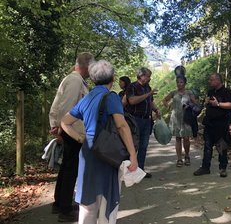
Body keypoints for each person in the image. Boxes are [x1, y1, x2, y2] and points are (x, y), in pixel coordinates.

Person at [61, 60, 138, 224]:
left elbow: (64, 122)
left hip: (88, 152)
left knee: (87, 202)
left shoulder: (87, 98)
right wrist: (133, 155)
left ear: (93, 79)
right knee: (105, 199)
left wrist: (81, 138)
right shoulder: (111, 97)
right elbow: (122, 126)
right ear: (112, 78)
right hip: (106, 152)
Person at [49, 52, 94, 222]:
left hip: (70, 130)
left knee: (66, 167)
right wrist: (62, 129)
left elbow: (57, 106)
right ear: (86, 66)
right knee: (71, 169)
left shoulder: (74, 79)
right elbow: (66, 108)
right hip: (72, 132)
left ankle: (60, 203)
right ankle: (65, 210)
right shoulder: (75, 81)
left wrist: (56, 125)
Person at [193, 73, 231, 178]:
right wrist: (206, 102)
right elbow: (205, 104)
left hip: (221, 124)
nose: (210, 81)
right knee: (207, 146)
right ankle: (205, 167)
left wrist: (219, 104)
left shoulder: (226, 92)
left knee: (221, 147)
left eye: (211, 80)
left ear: (218, 80)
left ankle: (223, 168)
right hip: (209, 123)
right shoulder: (210, 92)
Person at [124, 67, 160, 178]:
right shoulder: (132, 87)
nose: (149, 78)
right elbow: (132, 100)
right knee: (133, 145)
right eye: (148, 76)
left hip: (146, 119)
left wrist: (156, 109)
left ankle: (140, 170)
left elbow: (151, 102)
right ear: (142, 76)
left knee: (144, 146)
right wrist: (148, 94)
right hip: (135, 119)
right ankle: (128, 170)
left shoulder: (147, 88)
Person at [162, 75, 197, 167]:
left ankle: (187, 155)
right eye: (178, 82)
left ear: (185, 83)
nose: (179, 84)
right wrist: (168, 106)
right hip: (176, 118)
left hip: (186, 118)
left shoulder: (189, 93)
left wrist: (189, 105)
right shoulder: (173, 93)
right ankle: (179, 159)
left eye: (181, 82)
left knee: (186, 138)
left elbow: (195, 103)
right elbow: (164, 100)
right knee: (178, 138)